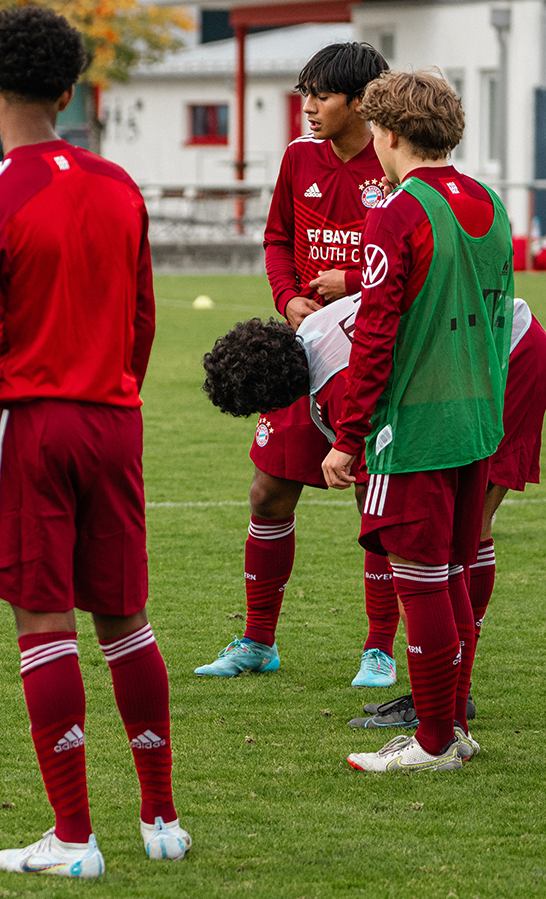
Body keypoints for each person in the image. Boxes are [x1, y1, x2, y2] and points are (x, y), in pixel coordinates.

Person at [0, 6, 184, 878]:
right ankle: (161, 818)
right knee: (124, 617)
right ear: (72, 90)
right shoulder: (121, 187)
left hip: (31, 426)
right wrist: (115, 396)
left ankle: (74, 838)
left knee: (44, 621)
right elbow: (144, 320)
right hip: (116, 419)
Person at [200, 291, 546, 734]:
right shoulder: (310, 333)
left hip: (508, 358)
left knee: (447, 536)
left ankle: (444, 707)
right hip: (482, 347)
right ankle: (447, 698)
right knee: (445, 539)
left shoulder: (340, 385)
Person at [319, 69, 511, 774]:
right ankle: (453, 727)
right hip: (476, 421)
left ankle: (432, 741)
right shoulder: (490, 202)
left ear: (390, 133)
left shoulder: (398, 212)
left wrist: (347, 440)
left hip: (416, 429)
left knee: (422, 581)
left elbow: (374, 337)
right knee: (455, 573)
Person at [193, 41, 391, 685]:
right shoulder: (297, 159)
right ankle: (256, 641)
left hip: (373, 351)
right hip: (303, 350)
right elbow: (278, 238)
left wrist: (353, 281)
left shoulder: (394, 166)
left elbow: (416, 256)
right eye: (304, 94)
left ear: (360, 103)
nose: (307, 108)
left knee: (374, 495)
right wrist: (290, 299)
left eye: (320, 97)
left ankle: (380, 648)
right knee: (269, 490)